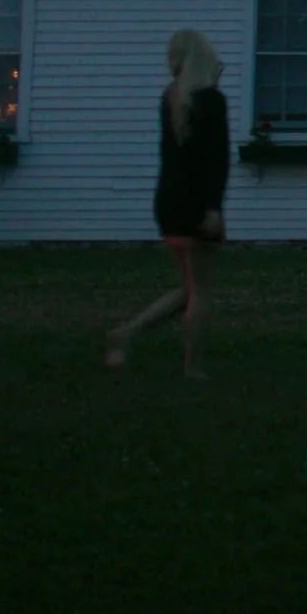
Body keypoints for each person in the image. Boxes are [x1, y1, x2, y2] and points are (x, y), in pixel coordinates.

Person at [106, 27, 230, 376]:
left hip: (168, 203)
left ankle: (125, 333)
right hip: (197, 204)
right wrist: (213, 209)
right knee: (201, 292)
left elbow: (183, 151)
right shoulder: (212, 101)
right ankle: (193, 368)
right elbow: (213, 159)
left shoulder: (170, 98)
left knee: (189, 289)